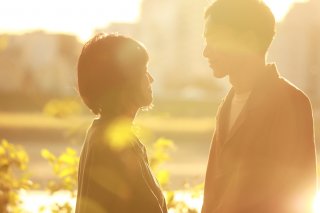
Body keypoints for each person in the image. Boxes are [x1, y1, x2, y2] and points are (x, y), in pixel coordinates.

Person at [201, 0, 317, 212]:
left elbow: (300, 193)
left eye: (214, 40)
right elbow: (213, 192)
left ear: (248, 41)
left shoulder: (291, 102)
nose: (206, 52)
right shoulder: (226, 106)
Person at [75, 33, 167, 213]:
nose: (151, 79)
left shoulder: (107, 135)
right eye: (144, 71)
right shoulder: (111, 143)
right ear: (123, 80)